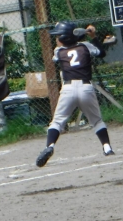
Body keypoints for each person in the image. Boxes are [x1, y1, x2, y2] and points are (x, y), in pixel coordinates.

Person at [35, 21, 114, 167]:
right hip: (86, 87)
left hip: (68, 89)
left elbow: (66, 50)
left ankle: (50, 146)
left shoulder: (58, 51)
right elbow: (101, 52)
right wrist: (93, 36)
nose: (56, 38)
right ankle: (107, 148)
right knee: (96, 121)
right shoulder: (86, 46)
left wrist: (80, 35)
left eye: (58, 36)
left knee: (57, 122)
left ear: (64, 38)